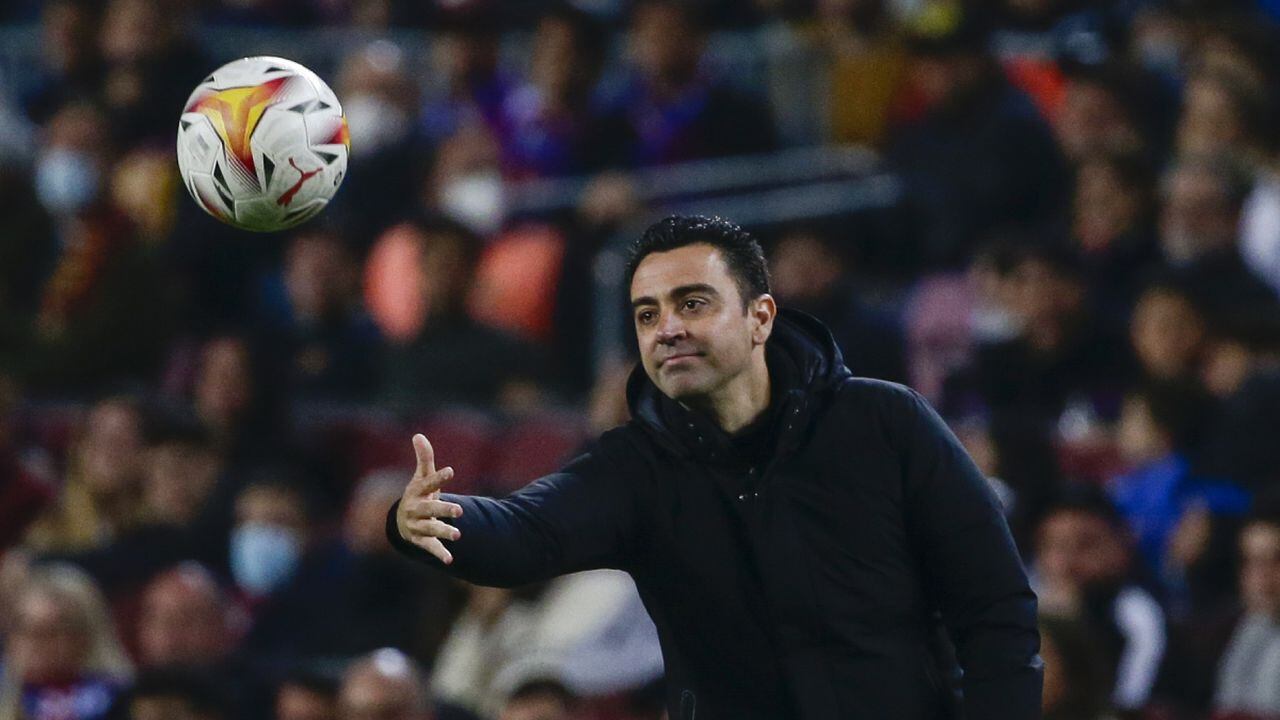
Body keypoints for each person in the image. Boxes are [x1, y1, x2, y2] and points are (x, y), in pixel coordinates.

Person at [389, 215, 1041, 719]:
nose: (666, 328)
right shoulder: (634, 468)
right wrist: (430, 521)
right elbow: (525, 532)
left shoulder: (885, 423)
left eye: (692, 303)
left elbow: (995, 608)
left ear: (760, 317)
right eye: (648, 315)